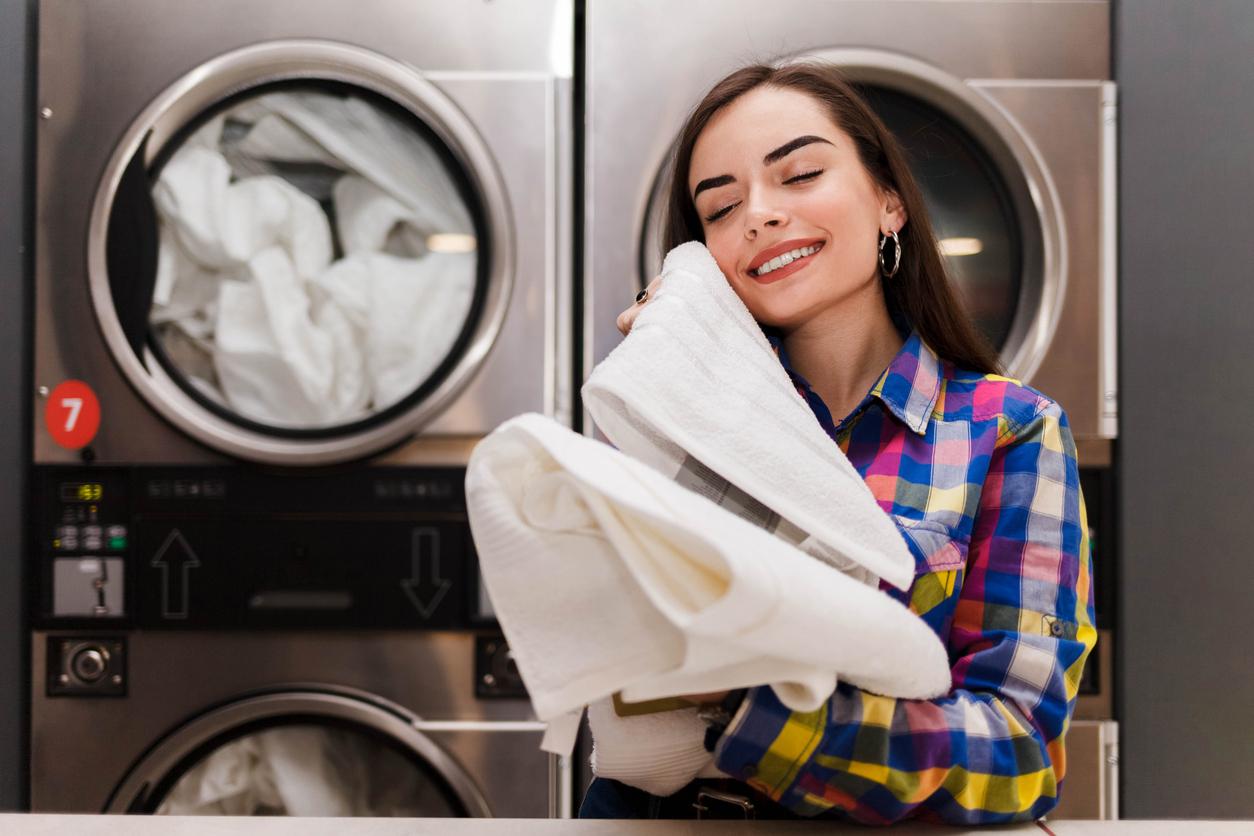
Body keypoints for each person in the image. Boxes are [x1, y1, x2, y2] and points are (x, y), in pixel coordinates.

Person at [581, 63, 1096, 825]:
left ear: (889, 201)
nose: (757, 215)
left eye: (800, 174)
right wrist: (670, 368)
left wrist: (750, 708)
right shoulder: (682, 421)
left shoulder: (1006, 433)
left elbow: (1017, 754)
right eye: (721, 208)